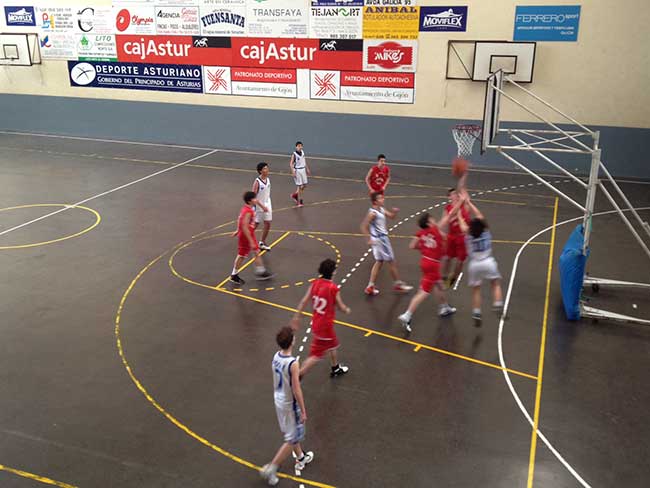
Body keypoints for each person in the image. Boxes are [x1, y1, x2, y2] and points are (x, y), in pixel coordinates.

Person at [260, 327, 314, 486]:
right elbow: (296, 389)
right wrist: (303, 410)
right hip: (290, 403)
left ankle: (301, 457)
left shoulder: (275, 357)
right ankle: (271, 468)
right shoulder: (293, 363)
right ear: (292, 341)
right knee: (292, 437)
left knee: (291, 431)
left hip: (278, 399)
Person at [397, 205, 463, 332]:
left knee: (440, 286)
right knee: (423, 292)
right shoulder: (435, 229)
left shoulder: (421, 233)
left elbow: (412, 245)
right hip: (433, 264)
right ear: (428, 222)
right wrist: (460, 202)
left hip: (426, 261)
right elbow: (449, 216)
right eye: (432, 218)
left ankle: (444, 306)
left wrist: (424, 248)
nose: (434, 219)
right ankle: (407, 315)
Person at [290, 259, 350, 378]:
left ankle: (335, 367)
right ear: (333, 272)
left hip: (317, 323)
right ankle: (298, 374)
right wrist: (346, 310)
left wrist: (296, 317)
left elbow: (303, 301)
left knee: (333, 345)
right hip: (325, 326)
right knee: (316, 355)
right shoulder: (333, 288)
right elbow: (340, 306)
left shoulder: (315, 283)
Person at [457, 198, 504, 327]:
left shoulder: (468, 234)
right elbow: (480, 216)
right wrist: (470, 203)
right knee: (495, 283)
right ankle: (498, 304)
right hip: (488, 261)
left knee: (476, 290)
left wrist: (459, 212)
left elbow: (462, 223)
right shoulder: (486, 232)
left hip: (474, 264)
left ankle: (476, 312)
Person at [361, 192, 413, 296]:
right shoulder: (373, 213)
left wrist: (394, 212)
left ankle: (370, 286)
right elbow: (363, 226)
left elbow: (392, 217)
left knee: (379, 261)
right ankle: (398, 284)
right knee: (391, 261)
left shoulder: (382, 210)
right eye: (380, 198)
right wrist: (368, 239)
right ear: (375, 201)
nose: (383, 199)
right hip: (381, 240)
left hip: (379, 240)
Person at [229, 191, 274, 285]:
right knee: (242, 255)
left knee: (256, 251)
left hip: (249, 233)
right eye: (254, 198)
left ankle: (261, 271)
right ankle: (234, 275)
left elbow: (239, 220)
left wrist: (237, 230)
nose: (256, 200)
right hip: (246, 236)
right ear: (250, 201)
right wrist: (250, 240)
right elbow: (244, 225)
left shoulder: (246, 208)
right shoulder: (248, 211)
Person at [441, 187, 472, 288]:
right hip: (451, 236)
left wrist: (462, 178)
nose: (455, 195)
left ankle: (452, 279)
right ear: (449, 197)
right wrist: (442, 234)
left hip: (462, 237)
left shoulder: (465, 206)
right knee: (447, 258)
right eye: (453, 194)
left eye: (456, 194)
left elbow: (464, 192)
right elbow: (445, 221)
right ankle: (444, 277)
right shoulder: (447, 209)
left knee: (460, 261)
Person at [253, 162, 272, 251]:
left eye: (267, 168)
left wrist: (266, 204)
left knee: (267, 223)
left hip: (267, 204)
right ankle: (247, 240)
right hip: (259, 206)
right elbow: (253, 197)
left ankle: (262, 242)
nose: (267, 169)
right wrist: (261, 206)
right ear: (260, 171)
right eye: (265, 168)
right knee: (255, 224)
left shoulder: (268, 180)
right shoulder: (257, 182)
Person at [289, 141, 311, 207]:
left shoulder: (303, 152)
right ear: (296, 147)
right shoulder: (294, 154)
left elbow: (304, 161)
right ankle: (299, 201)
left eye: (301, 146)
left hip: (303, 170)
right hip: (297, 171)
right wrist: (293, 172)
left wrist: (307, 168)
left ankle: (294, 195)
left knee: (304, 185)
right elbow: (291, 164)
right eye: (298, 146)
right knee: (300, 186)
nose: (300, 147)